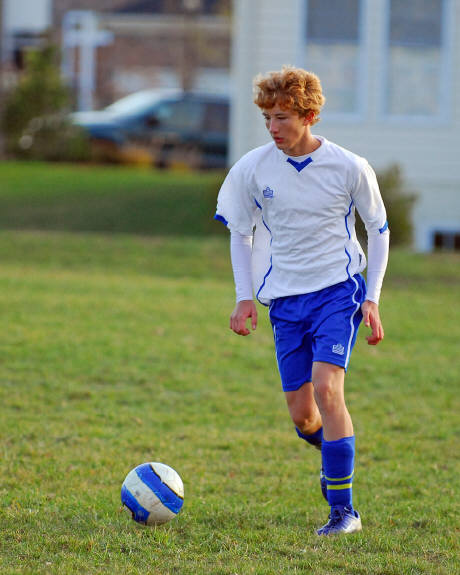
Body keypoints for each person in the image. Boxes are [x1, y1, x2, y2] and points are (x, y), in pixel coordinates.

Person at [214, 66, 389, 536]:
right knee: (303, 415)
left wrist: (371, 299)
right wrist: (244, 298)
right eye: (268, 118)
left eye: (283, 117)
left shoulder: (349, 167)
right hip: (285, 301)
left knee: (328, 389)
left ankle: (343, 512)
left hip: (337, 291)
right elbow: (240, 233)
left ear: (308, 116)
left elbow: (378, 230)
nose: (273, 127)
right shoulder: (253, 168)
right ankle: (333, 459)